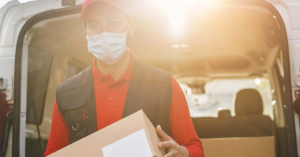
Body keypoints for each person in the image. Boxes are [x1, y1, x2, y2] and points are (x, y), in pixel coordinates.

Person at [44, 0, 204, 156]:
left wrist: (183, 153)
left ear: (131, 29)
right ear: (87, 33)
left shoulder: (164, 85)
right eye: (94, 25)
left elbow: (195, 149)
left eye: (113, 23)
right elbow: (53, 153)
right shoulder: (67, 93)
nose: (104, 32)